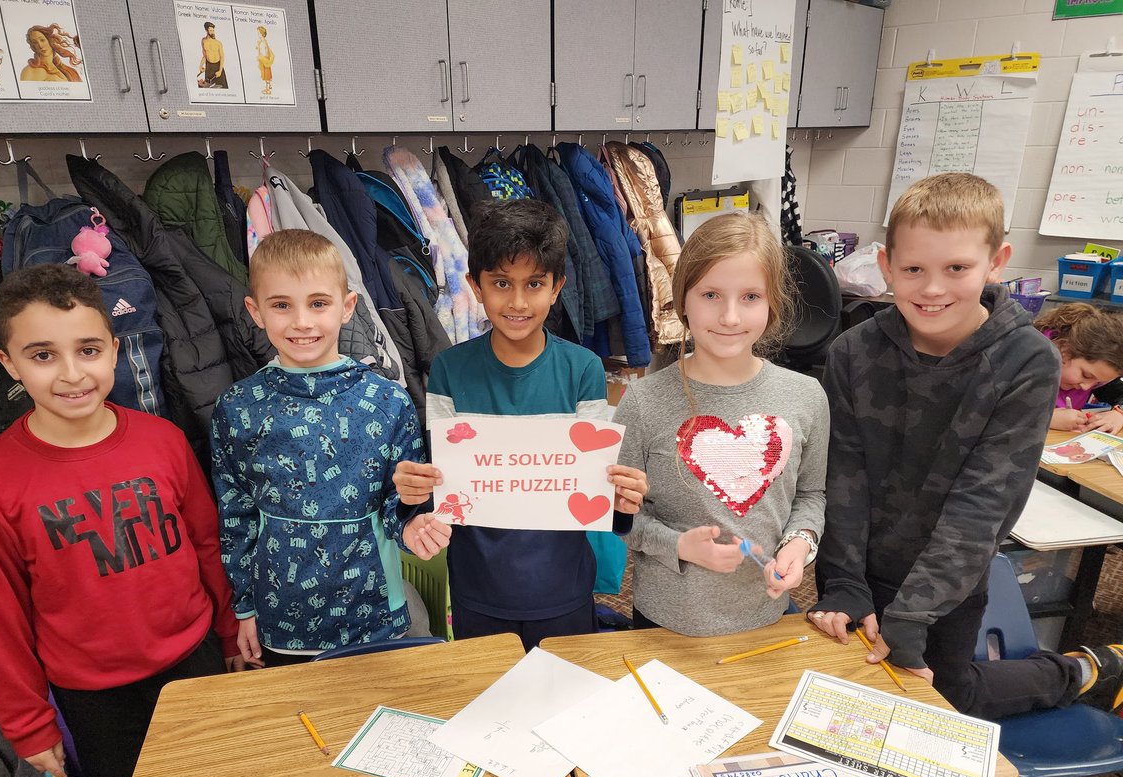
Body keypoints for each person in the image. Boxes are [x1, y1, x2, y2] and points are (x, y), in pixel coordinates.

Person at [810, 172, 1123, 719]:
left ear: (996, 262)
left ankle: (1081, 669)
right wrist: (841, 581)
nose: (932, 289)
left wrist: (915, 612)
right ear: (886, 267)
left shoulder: (1026, 361)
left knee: (947, 705)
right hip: (859, 571)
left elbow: (983, 504)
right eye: (913, 269)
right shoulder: (852, 351)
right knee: (850, 707)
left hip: (949, 588)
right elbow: (844, 475)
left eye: (957, 268)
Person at [0, 264, 242, 777]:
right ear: (8, 364)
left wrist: (230, 636)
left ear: (114, 350)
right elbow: (0, 615)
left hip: (193, 660)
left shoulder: (162, 440)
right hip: (96, 698)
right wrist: (29, 723)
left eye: (87, 350)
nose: (71, 374)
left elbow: (207, 545)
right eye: (42, 356)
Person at [393, 199, 649, 650]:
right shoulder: (450, 370)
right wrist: (414, 497)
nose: (516, 301)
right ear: (475, 286)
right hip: (478, 586)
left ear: (557, 288)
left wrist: (622, 501)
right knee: (490, 703)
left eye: (534, 284)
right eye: (500, 283)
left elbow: (592, 490)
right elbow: (441, 482)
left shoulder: (583, 369)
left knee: (565, 701)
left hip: (563, 584)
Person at [211, 229, 449, 667]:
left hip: (373, 610)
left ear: (347, 307)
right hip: (282, 617)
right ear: (255, 312)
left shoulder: (388, 400)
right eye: (282, 305)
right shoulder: (238, 406)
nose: (302, 322)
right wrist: (243, 607)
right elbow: (235, 514)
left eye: (318, 303)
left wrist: (413, 524)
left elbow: (402, 499)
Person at [614, 212, 827, 635]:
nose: (730, 316)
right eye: (711, 294)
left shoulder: (806, 397)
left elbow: (811, 494)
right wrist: (678, 545)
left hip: (767, 615)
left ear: (772, 303)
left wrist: (799, 544)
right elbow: (616, 515)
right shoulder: (642, 402)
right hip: (665, 621)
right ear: (682, 299)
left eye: (750, 297)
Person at [1034, 303, 1123, 434]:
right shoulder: (1029, 360)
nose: (1087, 387)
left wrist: (1119, 413)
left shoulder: (1097, 372)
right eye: (1086, 375)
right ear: (1064, 349)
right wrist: (1046, 418)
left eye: (1098, 382)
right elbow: (999, 409)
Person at [199, 21, 227, 88]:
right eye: (210, 30)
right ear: (206, 30)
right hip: (209, 67)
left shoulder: (218, 43)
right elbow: (204, 56)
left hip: (218, 66)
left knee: (222, 87)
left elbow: (222, 57)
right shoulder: (203, 40)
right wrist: (200, 66)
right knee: (207, 87)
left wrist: (220, 71)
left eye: (213, 30)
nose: (212, 32)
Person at [255, 25, 273, 95]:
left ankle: (267, 89)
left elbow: (263, 52)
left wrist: (260, 58)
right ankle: (269, 86)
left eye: (259, 33)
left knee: (266, 75)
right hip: (266, 60)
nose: (258, 34)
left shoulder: (263, 42)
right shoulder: (262, 41)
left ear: (262, 34)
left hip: (265, 60)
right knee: (267, 74)